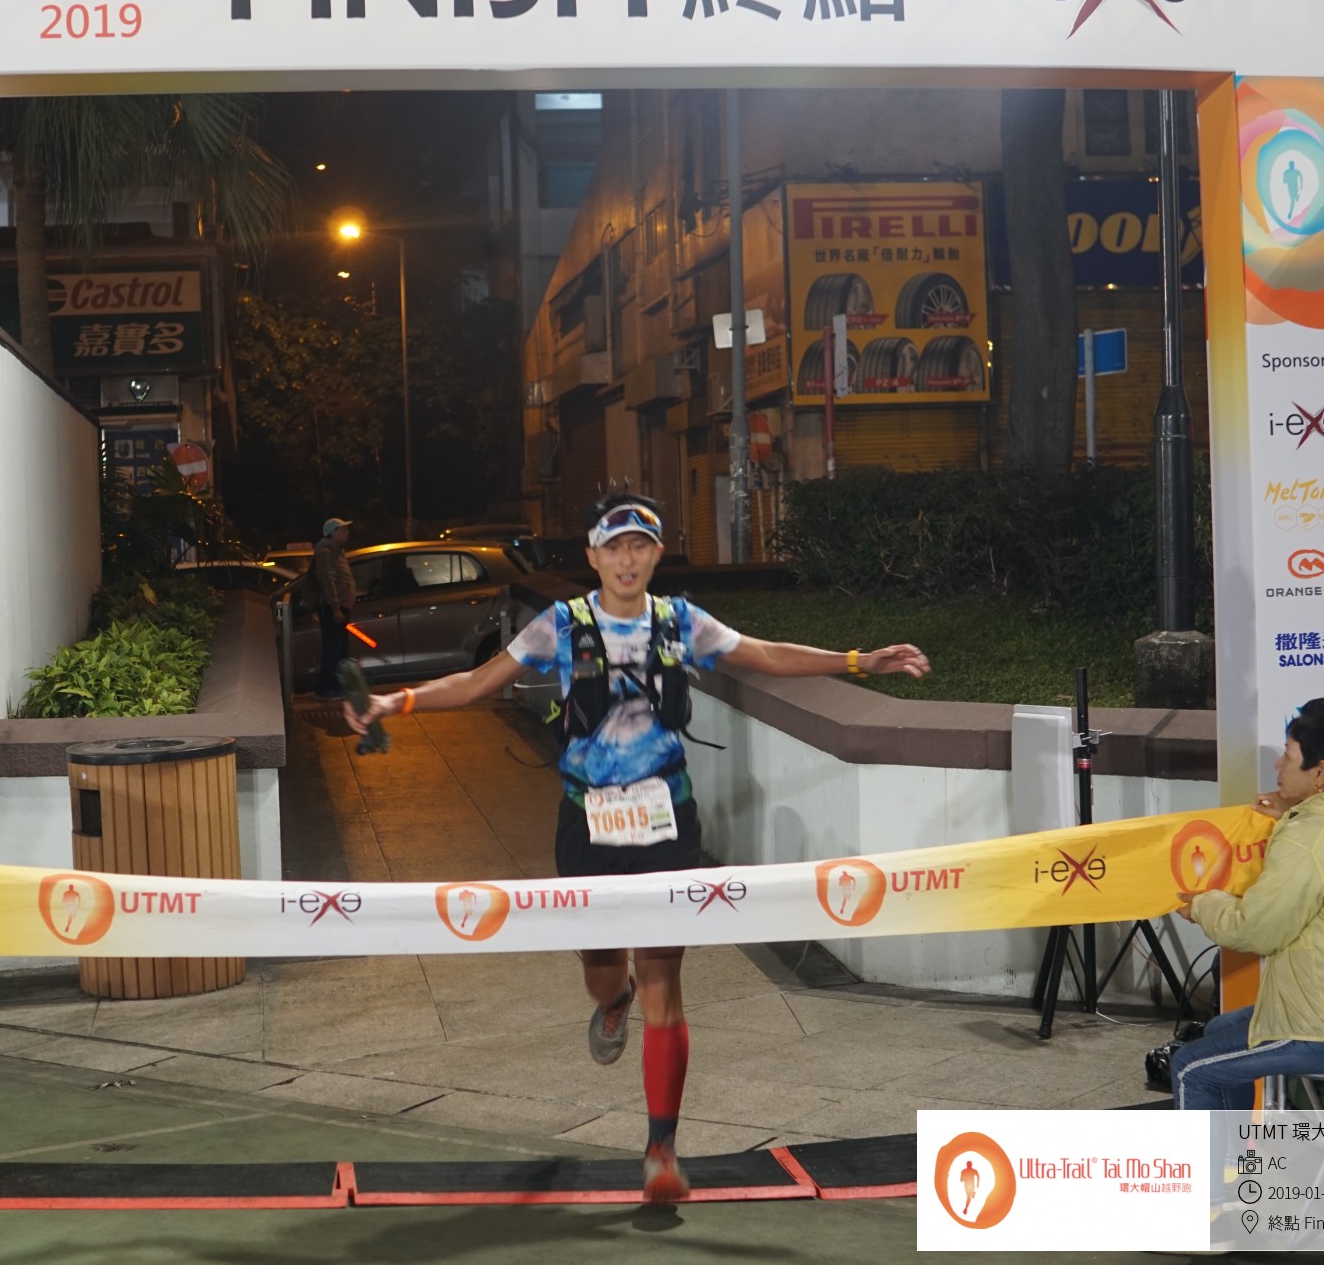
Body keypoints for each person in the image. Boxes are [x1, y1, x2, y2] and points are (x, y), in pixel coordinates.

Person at [348, 492, 930, 1200]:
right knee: (604, 974)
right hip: (585, 824)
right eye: (614, 546)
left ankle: (661, 1149)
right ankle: (612, 997)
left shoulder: (681, 622)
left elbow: (764, 654)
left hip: (666, 824)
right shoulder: (562, 624)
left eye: (641, 546)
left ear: (656, 554)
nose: (627, 559)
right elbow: (476, 683)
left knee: (664, 981)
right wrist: (396, 701)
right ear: (592, 556)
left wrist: (859, 660)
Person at [1168, 697, 1324, 1111]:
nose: (1278, 765)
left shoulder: (1308, 838)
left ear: (1321, 772)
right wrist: (1294, 815)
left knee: (1192, 1067)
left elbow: (1253, 931)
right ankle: (1234, 1148)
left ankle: (1217, 1155)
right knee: (1220, 1028)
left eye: (1288, 755)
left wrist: (1203, 904)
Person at [312, 517, 356, 700]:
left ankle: (335, 686)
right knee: (333, 649)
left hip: (339, 606)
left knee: (339, 648)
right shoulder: (326, 551)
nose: (347, 532)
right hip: (333, 608)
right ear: (333, 532)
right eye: (343, 529)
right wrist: (335, 608)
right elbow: (328, 580)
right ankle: (327, 688)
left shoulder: (334, 550)